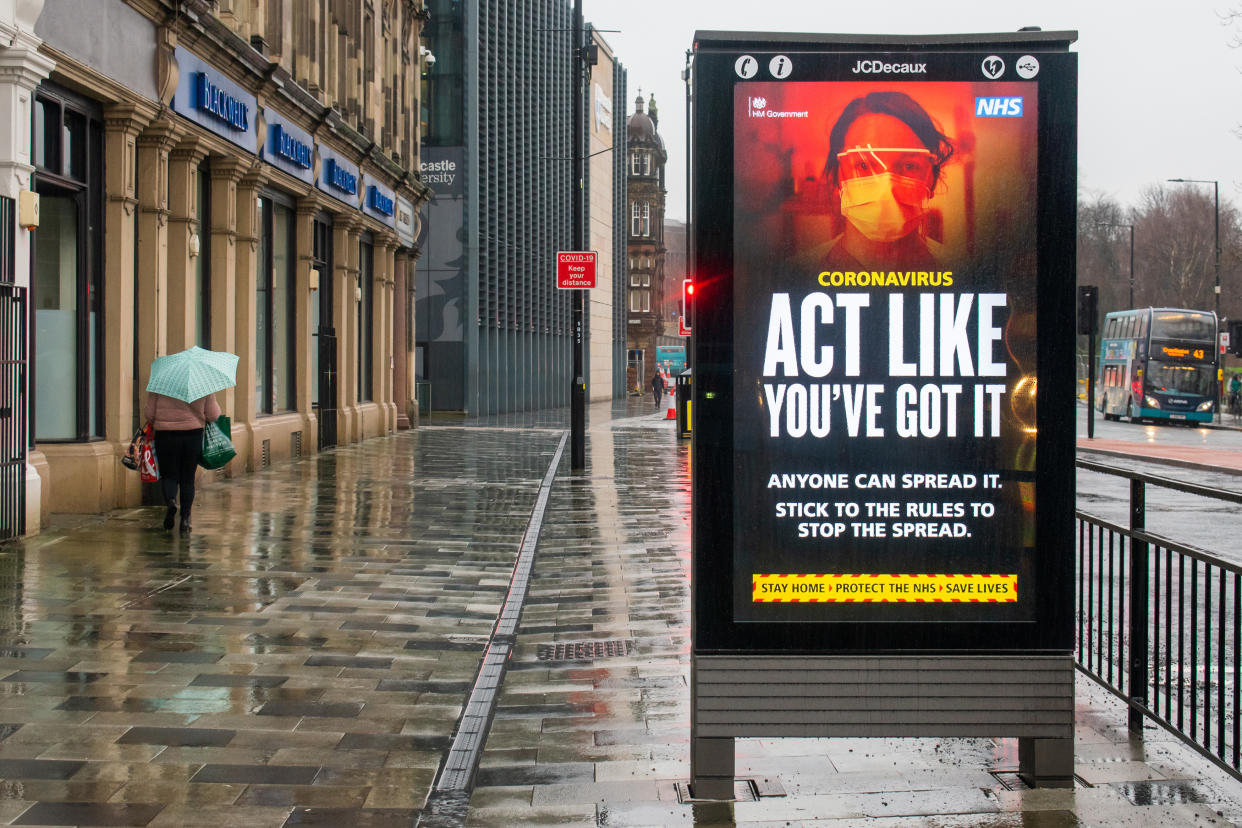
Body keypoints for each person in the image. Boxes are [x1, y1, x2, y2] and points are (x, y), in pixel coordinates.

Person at [805, 91, 955, 269]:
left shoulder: (963, 275)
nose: (887, 188)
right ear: (839, 177)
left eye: (909, 166)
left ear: (932, 179)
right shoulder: (797, 275)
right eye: (864, 166)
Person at [144, 391, 220, 534]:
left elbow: (149, 414)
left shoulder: (161, 380)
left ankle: (171, 501)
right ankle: (185, 519)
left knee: (169, 475)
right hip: (193, 435)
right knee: (187, 479)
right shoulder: (203, 383)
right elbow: (213, 414)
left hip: (165, 435)